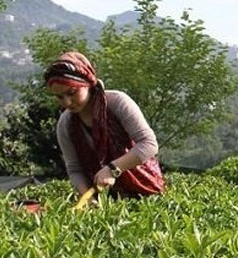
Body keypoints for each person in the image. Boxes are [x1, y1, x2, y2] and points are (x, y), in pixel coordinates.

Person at [44, 51, 164, 198]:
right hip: (103, 197)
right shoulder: (66, 124)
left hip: (144, 188)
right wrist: (87, 197)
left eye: (72, 92)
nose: (67, 102)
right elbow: (75, 170)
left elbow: (149, 145)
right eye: (60, 97)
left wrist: (112, 169)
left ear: (87, 83)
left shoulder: (117, 102)